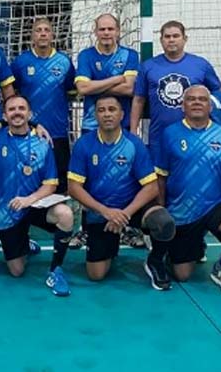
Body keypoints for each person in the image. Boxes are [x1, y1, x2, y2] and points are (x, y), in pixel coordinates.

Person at [147, 85, 221, 294]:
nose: (197, 102)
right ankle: (182, 248)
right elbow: (161, 176)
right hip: (181, 212)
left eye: (202, 99)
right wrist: (161, 209)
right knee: (183, 275)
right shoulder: (170, 134)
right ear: (182, 106)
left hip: (215, 206)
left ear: (210, 107)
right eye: (191, 99)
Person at [67, 95, 176, 283]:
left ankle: (155, 261)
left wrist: (124, 214)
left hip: (132, 209)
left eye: (112, 109)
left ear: (121, 114)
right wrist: (106, 211)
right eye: (101, 110)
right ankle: (111, 245)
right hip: (101, 212)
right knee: (96, 275)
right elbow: (73, 188)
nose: (107, 114)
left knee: (162, 221)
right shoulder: (84, 144)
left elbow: (151, 188)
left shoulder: (134, 144)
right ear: (95, 115)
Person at [0, 95, 74, 296]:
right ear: (4, 116)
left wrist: (29, 200)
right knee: (17, 271)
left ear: (30, 114)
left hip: (34, 205)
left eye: (21, 108)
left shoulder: (42, 142)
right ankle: (23, 243)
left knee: (65, 214)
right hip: (8, 211)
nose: (17, 112)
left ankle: (56, 270)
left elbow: (51, 184)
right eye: (11, 109)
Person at [70, 14, 140, 249]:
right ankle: (86, 228)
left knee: (126, 175)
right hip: (92, 125)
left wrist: (96, 84)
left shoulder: (130, 55)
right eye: (102, 29)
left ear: (118, 31)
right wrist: (116, 78)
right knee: (89, 177)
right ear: (95, 32)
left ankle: (127, 225)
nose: (106, 33)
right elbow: (82, 87)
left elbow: (130, 88)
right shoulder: (86, 55)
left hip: (122, 126)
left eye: (110, 29)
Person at [130, 20, 221, 147]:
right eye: (167, 36)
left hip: (194, 136)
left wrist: (217, 125)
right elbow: (139, 100)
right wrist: (133, 131)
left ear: (185, 39)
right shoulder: (148, 66)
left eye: (176, 36)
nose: (171, 40)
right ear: (161, 40)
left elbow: (219, 94)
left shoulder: (201, 64)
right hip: (159, 136)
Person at [11, 17, 76, 195]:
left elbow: (71, 91)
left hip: (57, 133)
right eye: (38, 30)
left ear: (52, 35)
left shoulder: (64, 62)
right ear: (32, 36)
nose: (43, 34)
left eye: (46, 30)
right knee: (29, 181)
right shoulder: (21, 62)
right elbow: (12, 94)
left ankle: (60, 212)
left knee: (60, 185)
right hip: (28, 133)